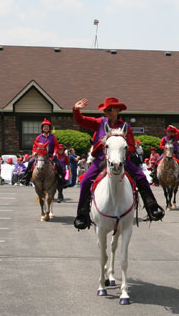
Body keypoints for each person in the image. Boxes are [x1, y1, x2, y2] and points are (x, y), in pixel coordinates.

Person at [72, 97, 164, 229]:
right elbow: (80, 120)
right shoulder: (99, 123)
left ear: (117, 110)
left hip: (121, 160)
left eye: (110, 109)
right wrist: (76, 110)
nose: (107, 112)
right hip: (101, 159)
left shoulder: (126, 127)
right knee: (86, 180)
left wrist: (121, 152)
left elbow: (131, 146)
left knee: (141, 177)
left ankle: (152, 207)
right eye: (106, 110)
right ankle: (82, 215)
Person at [22, 119, 63, 186]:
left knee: (59, 165)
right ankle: (26, 178)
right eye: (44, 127)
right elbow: (34, 146)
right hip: (40, 156)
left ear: (49, 128)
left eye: (47, 127)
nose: (46, 128)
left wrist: (55, 152)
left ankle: (61, 179)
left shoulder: (53, 137)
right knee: (30, 162)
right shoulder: (39, 137)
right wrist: (34, 152)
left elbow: (56, 146)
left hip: (50, 155)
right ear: (42, 128)